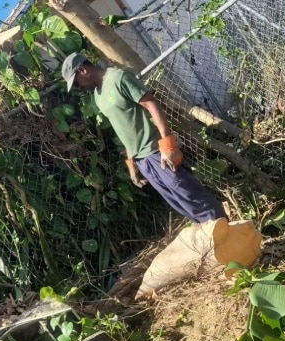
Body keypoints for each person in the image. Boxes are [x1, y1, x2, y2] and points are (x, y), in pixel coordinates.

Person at [62, 52, 227, 224]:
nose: (78, 87)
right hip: (143, 162)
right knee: (181, 204)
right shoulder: (98, 96)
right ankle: (219, 241)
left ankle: (232, 235)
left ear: (82, 70)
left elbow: (151, 103)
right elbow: (123, 128)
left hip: (157, 152)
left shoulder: (119, 78)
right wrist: (132, 163)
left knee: (193, 198)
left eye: (76, 83)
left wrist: (168, 145)